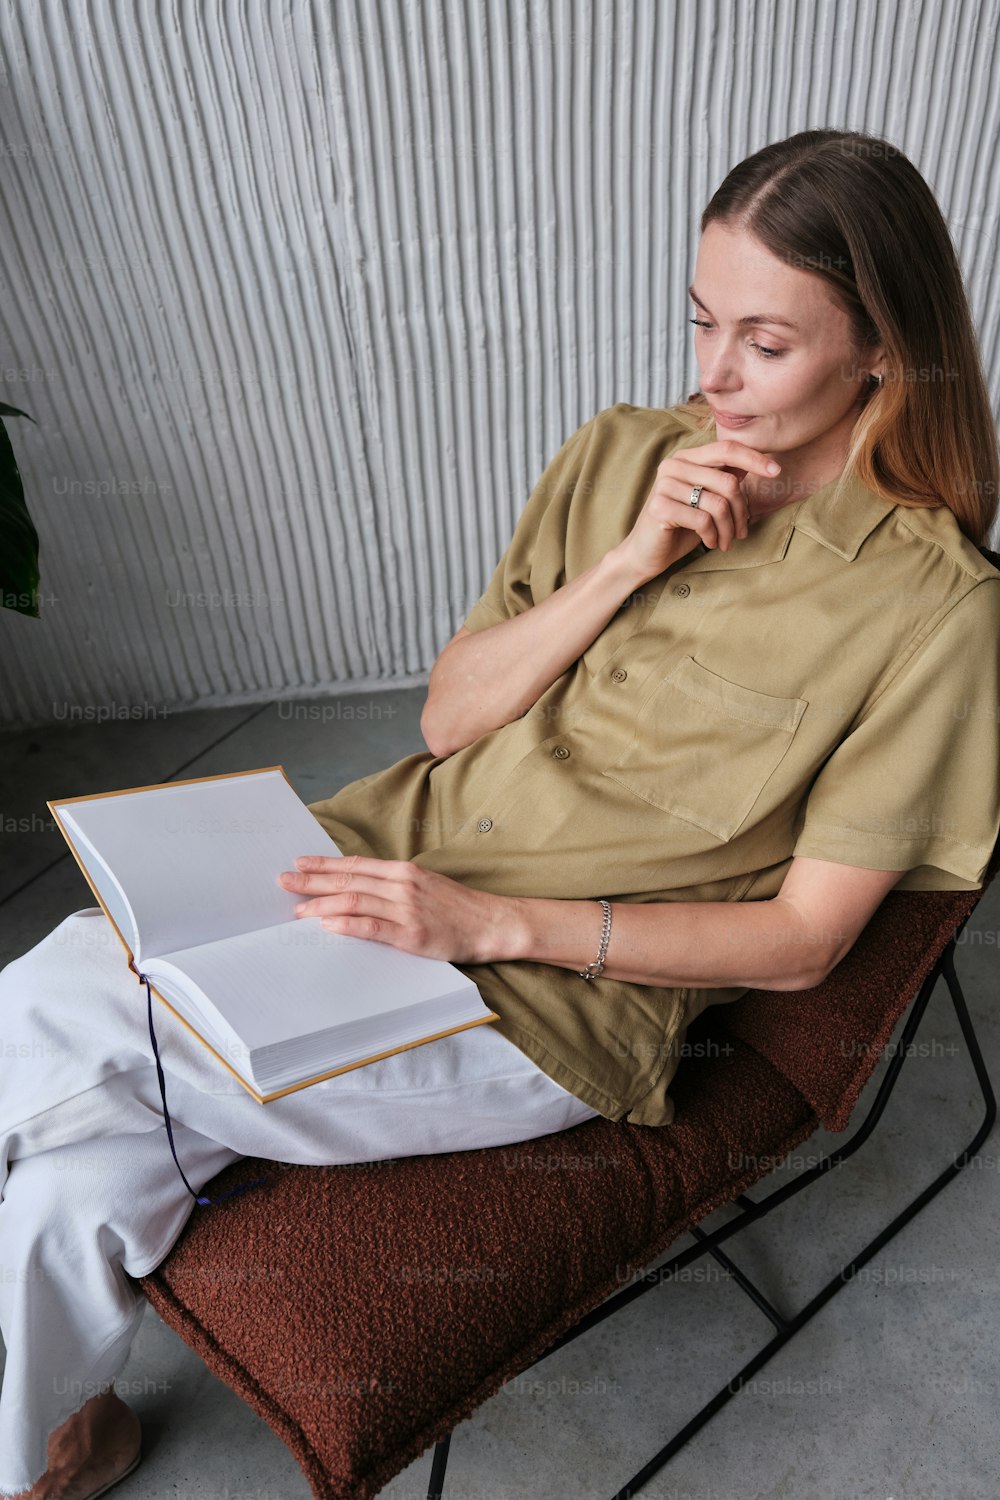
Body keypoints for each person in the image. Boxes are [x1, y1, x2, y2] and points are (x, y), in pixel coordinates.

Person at [2, 124, 999, 1498]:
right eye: (702, 321)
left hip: (530, 1006)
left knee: (52, 1009)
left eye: (765, 344)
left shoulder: (934, 605)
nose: (713, 374)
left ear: (883, 345)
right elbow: (447, 721)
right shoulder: (620, 456)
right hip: (357, 861)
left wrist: (487, 921)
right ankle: (62, 1441)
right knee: (68, 1185)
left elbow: (809, 943)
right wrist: (628, 563)